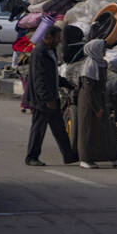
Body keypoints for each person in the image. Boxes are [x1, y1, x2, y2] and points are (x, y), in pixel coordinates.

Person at [24, 25, 77, 167]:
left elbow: (52, 75)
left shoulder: (51, 51)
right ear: (49, 37)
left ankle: (69, 156)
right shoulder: (39, 52)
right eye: (58, 37)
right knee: (38, 130)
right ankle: (31, 157)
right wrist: (46, 99)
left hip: (53, 97)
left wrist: (68, 83)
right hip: (42, 100)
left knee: (60, 129)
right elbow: (38, 78)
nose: (60, 41)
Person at [75, 39, 117, 169]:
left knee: (107, 130)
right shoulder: (89, 66)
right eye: (102, 49)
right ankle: (85, 159)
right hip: (89, 102)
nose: (104, 51)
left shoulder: (101, 63)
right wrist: (96, 108)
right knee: (87, 130)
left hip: (100, 99)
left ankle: (116, 158)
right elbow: (89, 91)